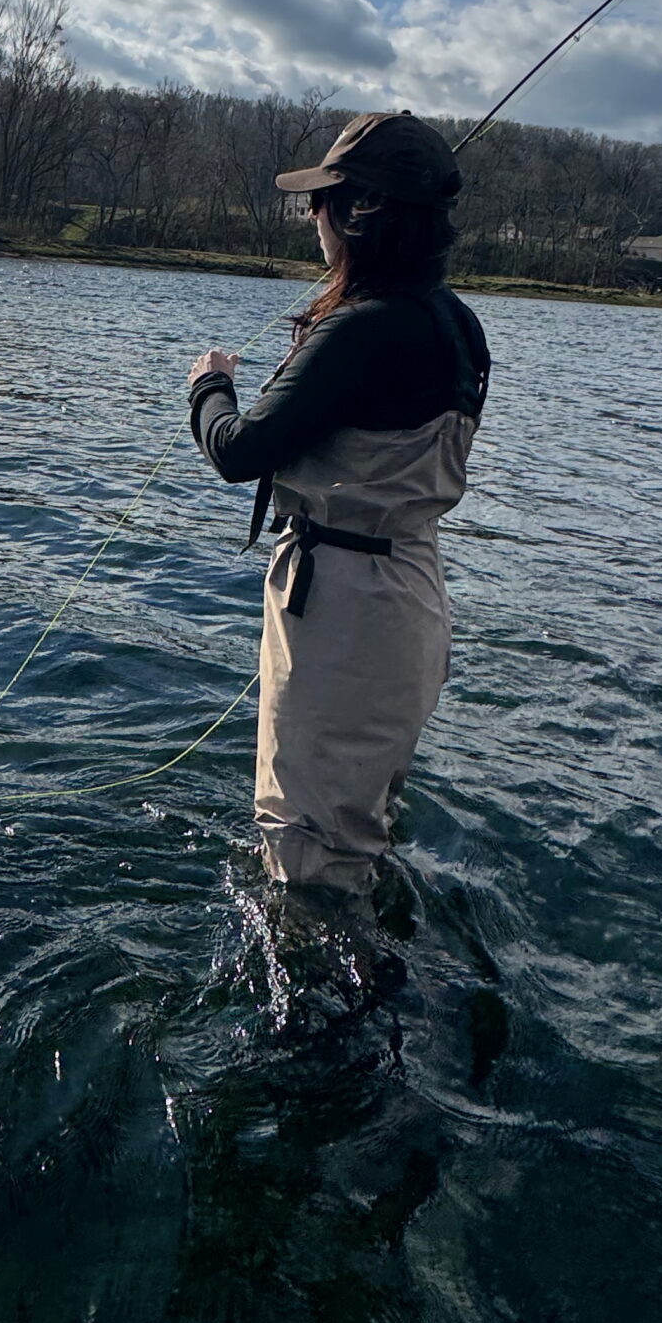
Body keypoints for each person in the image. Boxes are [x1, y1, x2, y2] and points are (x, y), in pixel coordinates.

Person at [186, 111, 490, 897]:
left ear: (359, 214)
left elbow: (239, 451)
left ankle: (320, 1012)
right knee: (361, 836)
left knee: (307, 860)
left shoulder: (359, 332)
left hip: (345, 612)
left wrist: (208, 387)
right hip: (413, 601)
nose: (312, 216)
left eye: (322, 201)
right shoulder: (459, 327)